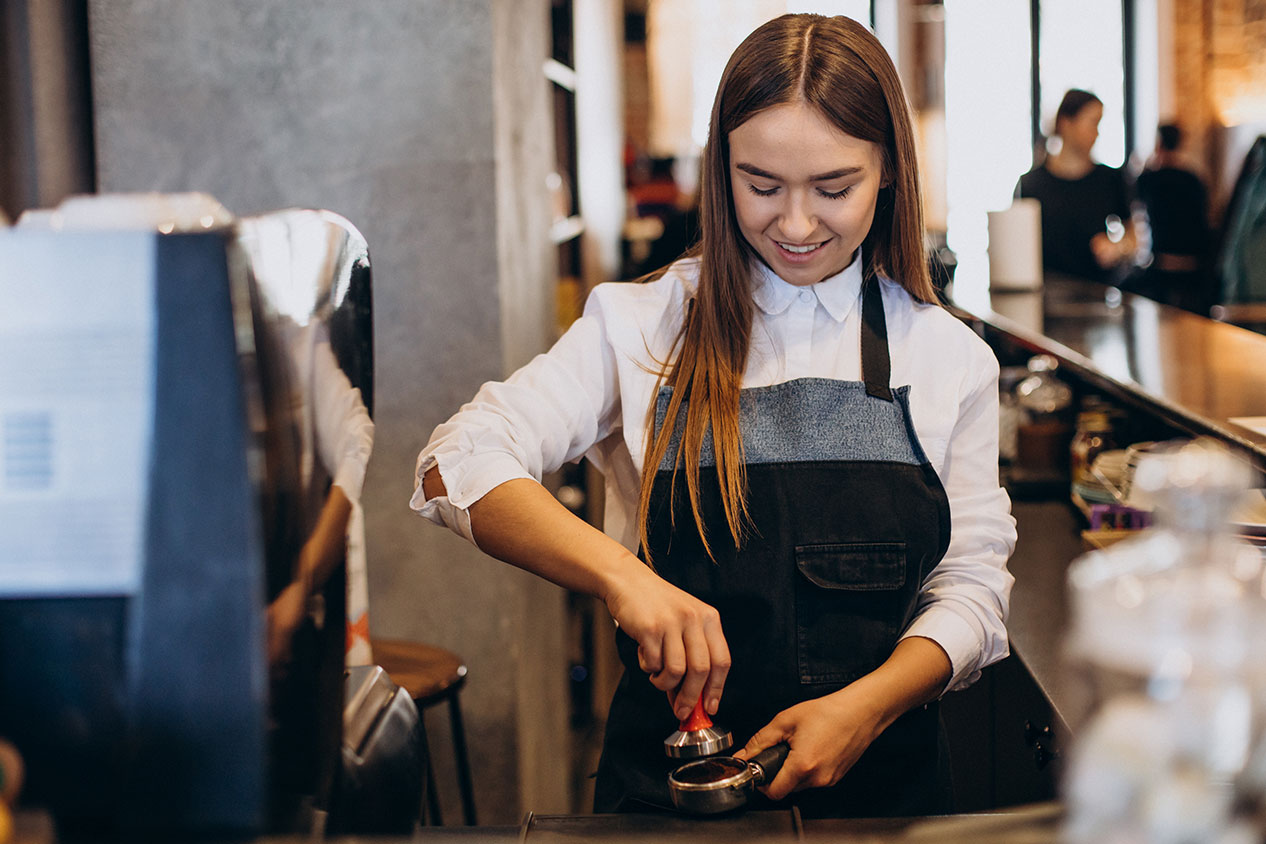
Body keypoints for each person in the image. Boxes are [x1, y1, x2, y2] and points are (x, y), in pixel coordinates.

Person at [413, 13, 1015, 818]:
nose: (794, 225)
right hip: (667, 801)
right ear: (720, 169)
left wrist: (866, 708)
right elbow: (452, 462)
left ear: (888, 175)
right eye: (760, 186)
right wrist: (622, 578)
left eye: (834, 189)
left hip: (884, 801)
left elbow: (972, 590)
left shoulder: (947, 357)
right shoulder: (641, 326)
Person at [1017, 89, 1136, 283]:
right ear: (1066, 124)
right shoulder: (1031, 183)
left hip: (1098, 290)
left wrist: (1118, 248)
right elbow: (1018, 244)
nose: (1097, 133)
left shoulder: (1109, 178)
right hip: (1046, 290)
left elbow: (1133, 236)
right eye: (1093, 123)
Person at [1134, 123, 1214, 313]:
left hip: (1163, 269)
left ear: (1158, 144)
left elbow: (1135, 207)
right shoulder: (1195, 179)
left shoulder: (1149, 179)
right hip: (1196, 269)